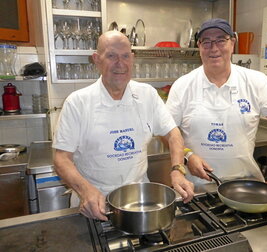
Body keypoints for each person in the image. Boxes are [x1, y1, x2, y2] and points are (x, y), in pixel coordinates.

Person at [53, 30, 194, 221]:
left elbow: (173, 134)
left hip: (140, 201)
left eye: (125, 56)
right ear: (97, 59)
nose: (120, 63)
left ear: (132, 59)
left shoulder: (147, 95)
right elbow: (61, 158)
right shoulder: (77, 102)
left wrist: (177, 170)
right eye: (111, 56)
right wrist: (86, 191)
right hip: (95, 203)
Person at [166, 18, 267, 198]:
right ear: (199, 46)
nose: (214, 48)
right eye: (207, 41)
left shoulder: (256, 81)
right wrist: (187, 156)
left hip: (245, 186)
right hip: (195, 189)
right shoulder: (183, 85)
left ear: (232, 43)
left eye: (221, 39)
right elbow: (166, 132)